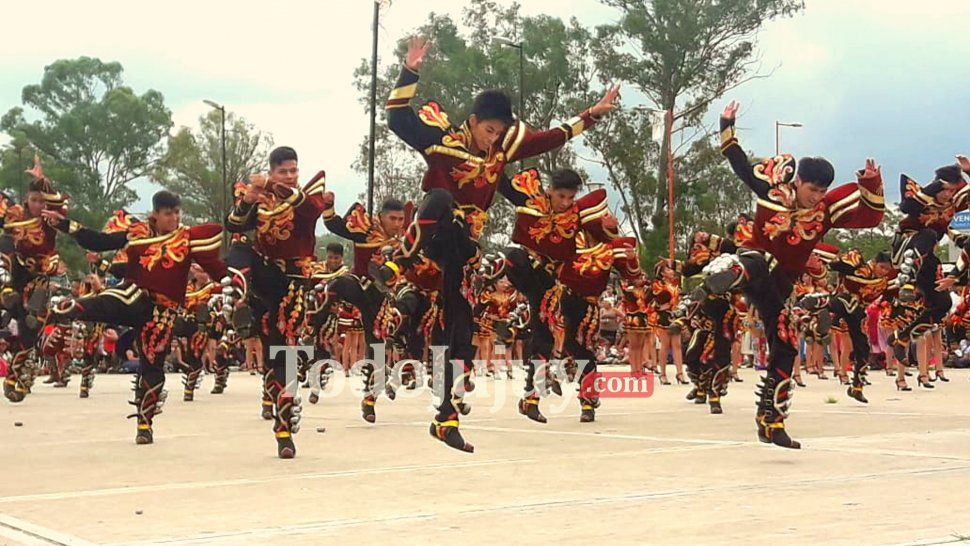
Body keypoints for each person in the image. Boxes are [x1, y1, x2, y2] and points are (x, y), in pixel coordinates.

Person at [380, 37, 620, 452]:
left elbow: (550, 138)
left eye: (500, 133)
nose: (494, 140)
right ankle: (400, 261)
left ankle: (446, 417)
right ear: (472, 122)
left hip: (463, 247)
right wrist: (410, 71)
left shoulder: (502, 149)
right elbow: (396, 117)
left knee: (460, 326)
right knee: (440, 200)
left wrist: (590, 117)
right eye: (489, 130)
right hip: (435, 231)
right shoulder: (442, 142)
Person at [700, 100, 884, 449]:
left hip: (778, 288)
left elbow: (871, 217)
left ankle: (771, 421)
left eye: (822, 192)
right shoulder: (771, 192)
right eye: (812, 190)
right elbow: (737, 160)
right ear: (798, 182)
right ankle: (721, 275)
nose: (817, 197)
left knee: (785, 347)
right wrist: (726, 122)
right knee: (757, 260)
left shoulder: (825, 212)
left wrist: (872, 184)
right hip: (754, 266)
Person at [46, 190, 232, 445]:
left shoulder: (187, 238)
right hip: (135, 295)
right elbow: (100, 242)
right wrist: (66, 225)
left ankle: (145, 423)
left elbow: (214, 266)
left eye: (177, 213)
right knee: (108, 302)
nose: (175, 218)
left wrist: (232, 282)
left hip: (163, 312)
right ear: (155, 214)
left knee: (153, 368)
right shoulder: (137, 233)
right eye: (169, 214)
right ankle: (70, 309)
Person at [225, 146, 326, 459]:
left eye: (293, 170)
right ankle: (237, 293)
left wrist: (268, 186)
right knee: (240, 245)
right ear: (272, 171)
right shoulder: (262, 199)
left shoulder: (310, 196)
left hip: (292, 284)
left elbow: (310, 212)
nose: (291, 176)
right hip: (263, 276)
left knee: (280, 355)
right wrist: (247, 200)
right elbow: (235, 224)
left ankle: (283, 431)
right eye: (283, 171)